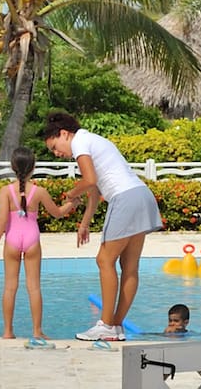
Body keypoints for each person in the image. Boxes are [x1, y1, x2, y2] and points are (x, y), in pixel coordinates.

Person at [44, 110, 163, 342]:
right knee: (129, 266)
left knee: (104, 260)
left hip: (125, 198)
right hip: (141, 195)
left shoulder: (79, 143)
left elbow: (88, 182)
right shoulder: (92, 140)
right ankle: (116, 327)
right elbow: (95, 191)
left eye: (54, 147)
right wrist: (85, 223)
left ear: (64, 134)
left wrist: (70, 193)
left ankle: (106, 324)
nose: (57, 153)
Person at [0, 146, 61, 341]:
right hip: (32, 240)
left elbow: (2, 220)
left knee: (10, 287)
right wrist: (73, 203)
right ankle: (37, 331)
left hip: (11, 240)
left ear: (13, 167)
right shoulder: (39, 192)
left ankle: (7, 332)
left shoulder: (5, 191)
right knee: (34, 287)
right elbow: (57, 213)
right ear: (33, 167)